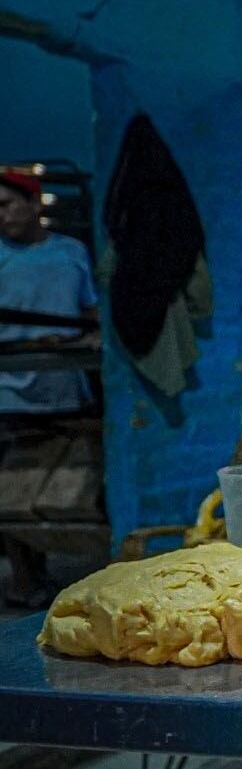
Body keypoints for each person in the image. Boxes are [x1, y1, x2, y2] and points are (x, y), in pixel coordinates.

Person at [0, 169, 98, 606]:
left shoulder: (72, 252)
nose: (1, 216)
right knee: (12, 488)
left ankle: (80, 578)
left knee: (69, 478)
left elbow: (90, 311)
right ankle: (26, 581)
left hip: (63, 384)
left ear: (35, 205)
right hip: (9, 388)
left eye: (6, 204)